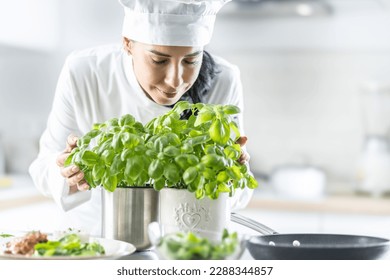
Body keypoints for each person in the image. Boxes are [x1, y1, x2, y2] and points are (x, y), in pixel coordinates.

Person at [29, 0, 253, 236]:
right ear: (127, 43)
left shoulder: (224, 80)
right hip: (95, 241)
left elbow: (240, 195)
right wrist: (65, 172)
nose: (175, 81)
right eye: (159, 60)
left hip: (183, 245)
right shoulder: (84, 72)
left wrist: (231, 168)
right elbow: (42, 170)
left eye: (190, 61)